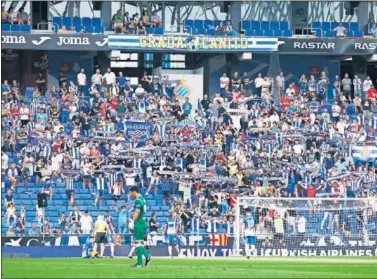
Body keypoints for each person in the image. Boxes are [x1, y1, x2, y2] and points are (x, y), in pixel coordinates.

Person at [128, 186, 151, 267]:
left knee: (137, 243)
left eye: (131, 193)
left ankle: (143, 260)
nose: (130, 195)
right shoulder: (142, 198)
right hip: (142, 222)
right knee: (139, 243)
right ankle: (143, 260)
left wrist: (132, 221)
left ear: (134, 191)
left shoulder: (138, 200)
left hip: (138, 222)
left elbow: (137, 212)